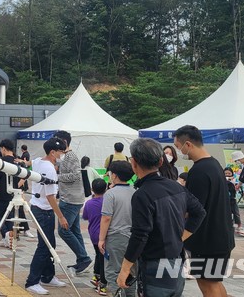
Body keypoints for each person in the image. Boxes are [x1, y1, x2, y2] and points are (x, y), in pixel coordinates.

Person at [118, 138, 207, 296]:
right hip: (177, 262)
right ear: (160, 162)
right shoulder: (175, 186)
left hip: (155, 265)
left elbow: (140, 235)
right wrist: (180, 237)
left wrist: (125, 268)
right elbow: (199, 212)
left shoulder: (142, 195)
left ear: (134, 163)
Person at [174, 125, 235, 297]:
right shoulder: (214, 164)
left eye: (178, 147)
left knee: (208, 285)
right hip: (220, 235)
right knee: (214, 282)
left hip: (208, 239)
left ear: (188, 144)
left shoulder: (199, 171)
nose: (179, 152)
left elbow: (194, 209)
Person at [25, 137, 69, 295]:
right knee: (44, 246)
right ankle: (32, 281)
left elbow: (30, 165)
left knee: (50, 244)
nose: (62, 155)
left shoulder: (38, 161)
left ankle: (47, 276)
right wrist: (61, 217)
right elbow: (51, 197)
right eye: (61, 152)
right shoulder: (50, 169)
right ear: (53, 152)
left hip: (37, 206)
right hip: (44, 210)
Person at [53, 130, 92, 274]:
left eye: (56, 141)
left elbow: (76, 176)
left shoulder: (71, 156)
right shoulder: (66, 157)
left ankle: (84, 258)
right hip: (73, 198)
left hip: (71, 199)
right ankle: (82, 261)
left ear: (63, 142)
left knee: (64, 231)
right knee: (75, 231)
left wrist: (58, 176)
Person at [98, 160, 136, 297]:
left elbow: (106, 218)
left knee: (113, 271)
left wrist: (101, 239)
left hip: (116, 237)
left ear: (114, 175)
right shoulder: (135, 191)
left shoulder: (110, 194)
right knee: (130, 271)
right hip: (133, 237)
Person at [82, 178, 108, 296]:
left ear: (92, 189)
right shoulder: (107, 201)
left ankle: (96, 276)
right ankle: (102, 284)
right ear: (106, 188)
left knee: (98, 254)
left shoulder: (89, 203)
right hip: (104, 235)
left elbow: (85, 217)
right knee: (104, 259)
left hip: (93, 234)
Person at [0, 139, 17, 248]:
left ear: (3, 148)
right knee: (10, 216)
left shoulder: (1, 162)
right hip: (14, 194)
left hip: (2, 193)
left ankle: (6, 234)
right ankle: (9, 238)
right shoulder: (17, 161)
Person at [224, 167, 244, 237]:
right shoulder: (222, 180)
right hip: (225, 200)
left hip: (233, 199)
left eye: (229, 173)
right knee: (226, 213)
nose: (227, 174)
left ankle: (239, 225)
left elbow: (237, 184)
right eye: (225, 173)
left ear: (232, 173)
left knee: (236, 212)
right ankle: (229, 225)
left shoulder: (234, 179)